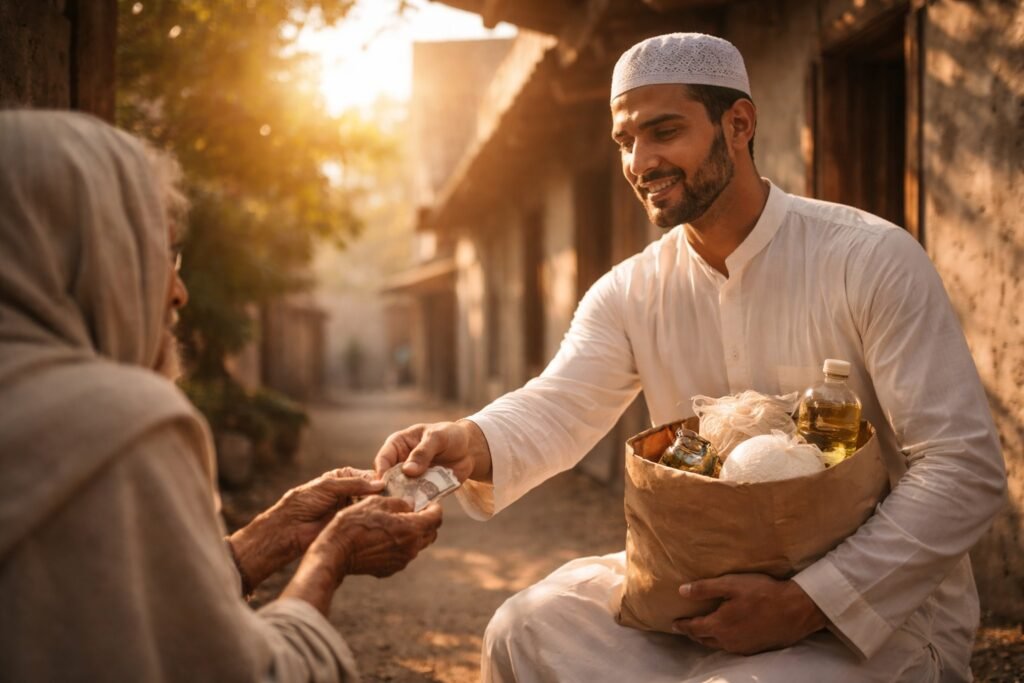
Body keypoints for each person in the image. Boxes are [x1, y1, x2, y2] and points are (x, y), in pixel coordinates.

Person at [375, 33, 1007, 682]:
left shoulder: (869, 259)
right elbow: (560, 403)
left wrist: (808, 600)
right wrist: (468, 439)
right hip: (695, 596)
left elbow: (963, 465)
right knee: (522, 628)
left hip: (864, 614)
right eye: (625, 140)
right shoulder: (631, 289)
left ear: (738, 124)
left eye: (665, 131)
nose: (640, 161)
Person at [0, 110, 443, 682]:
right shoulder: (118, 424)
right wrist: (333, 554)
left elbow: (125, 615)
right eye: (160, 255)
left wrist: (270, 536)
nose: (178, 293)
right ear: (95, 258)